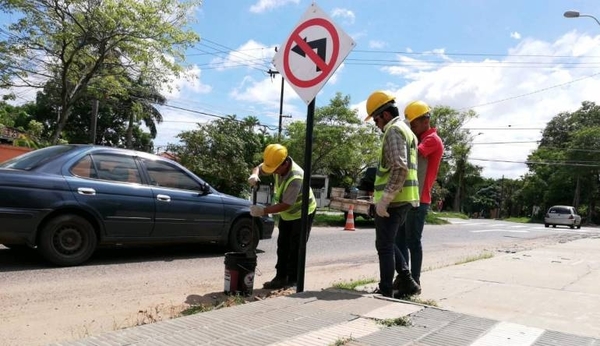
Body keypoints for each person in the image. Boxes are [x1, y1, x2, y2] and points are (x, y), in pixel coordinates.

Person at [364, 90, 421, 298]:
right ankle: (406, 281)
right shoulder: (407, 131)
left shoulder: (394, 131)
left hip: (395, 199)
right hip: (404, 198)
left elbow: (400, 167)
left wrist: (386, 198)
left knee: (384, 246)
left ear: (385, 115)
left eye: (376, 120)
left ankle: (387, 290)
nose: (376, 125)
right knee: (387, 242)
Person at [247, 144, 317, 289]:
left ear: (285, 163)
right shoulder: (275, 162)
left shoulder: (296, 177)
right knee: (283, 245)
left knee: (296, 247)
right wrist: (255, 174)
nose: (275, 172)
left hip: (302, 213)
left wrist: (263, 211)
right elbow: (259, 168)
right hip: (287, 214)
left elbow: (286, 204)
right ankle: (280, 278)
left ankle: (293, 281)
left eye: (277, 169)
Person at [395, 100, 444, 290]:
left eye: (414, 124)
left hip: (419, 200)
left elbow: (414, 153)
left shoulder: (431, 140)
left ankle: (414, 281)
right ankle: (404, 278)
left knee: (412, 242)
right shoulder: (423, 137)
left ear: (426, 120)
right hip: (410, 198)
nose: (412, 128)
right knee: (400, 240)